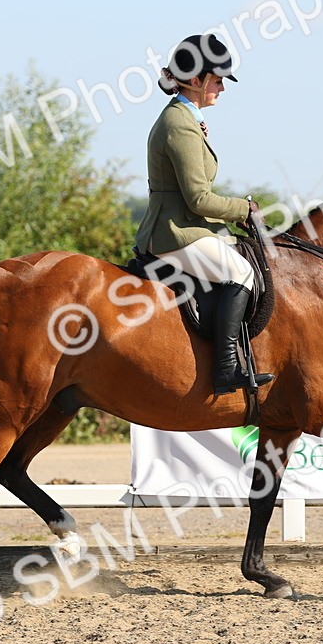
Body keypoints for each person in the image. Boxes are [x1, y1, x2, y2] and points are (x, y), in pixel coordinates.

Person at [134, 34, 274, 396]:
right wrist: (243, 209)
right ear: (195, 80)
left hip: (190, 225)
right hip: (175, 231)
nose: (222, 88)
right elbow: (198, 198)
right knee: (241, 272)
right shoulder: (179, 124)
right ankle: (226, 368)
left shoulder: (187, 118)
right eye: (218, 80)